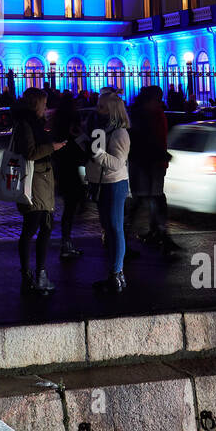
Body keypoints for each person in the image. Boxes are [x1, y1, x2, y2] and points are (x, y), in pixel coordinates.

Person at [10, 87, 63, 293]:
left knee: (45, 228)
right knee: (32, 228)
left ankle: (39, 273)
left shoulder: (34, 123)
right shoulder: (26, 124)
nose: (46, 107)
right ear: (36, 104)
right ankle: (29, 274)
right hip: (33, 183)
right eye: (44, 103)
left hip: (42, 182)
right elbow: (30, 153)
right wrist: (53, 147)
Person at [88, 92, 132, 293]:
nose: (97, 110)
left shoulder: (120, 133)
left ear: (112, 110)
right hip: (102, 183)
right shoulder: (104, 129)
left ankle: (116, 273)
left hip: (114, 183)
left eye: (101, 107)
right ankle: (114, 273)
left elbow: (117, 163)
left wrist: (97, 155)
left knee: (115, 229)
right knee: (109, 229)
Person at [128, 85, 178, 253]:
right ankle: (160, 236)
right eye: (158, 99)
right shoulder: (143, 115)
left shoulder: (148, 113)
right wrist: (162, 154)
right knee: (149, 199)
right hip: (147, 164)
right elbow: (146, 140)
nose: (160, 102)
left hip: (152, 163)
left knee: (150, 199)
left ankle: (157, 233)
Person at [50, 94, 88, 261]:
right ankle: (66, 242)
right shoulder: (71, 123)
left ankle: (66, 241)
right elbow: (79, 143)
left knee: (70, 205)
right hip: (70, 167)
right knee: (72, 205)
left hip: (62, 167)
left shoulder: (57, 123)